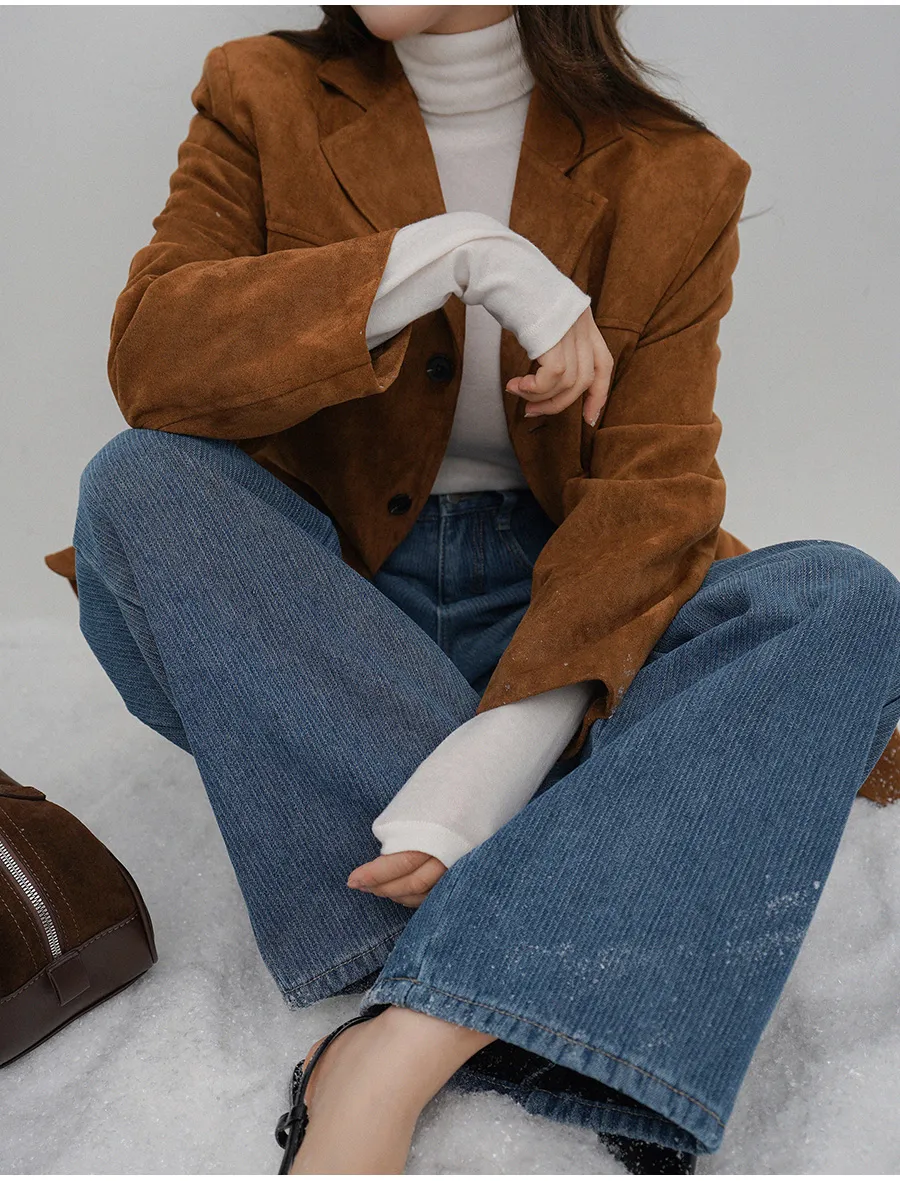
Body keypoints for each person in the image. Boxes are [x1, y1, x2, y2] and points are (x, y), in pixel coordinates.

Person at [66, 5, 900, 1175]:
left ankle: (398, 1041)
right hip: (329, 614)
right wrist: (459, 253)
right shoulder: (260, 93)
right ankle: (586, 882)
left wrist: (499, 752)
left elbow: (653, 496)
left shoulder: (677, 170)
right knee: (141, 485)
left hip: (569, 608)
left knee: (842, 598)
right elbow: (154, 359)